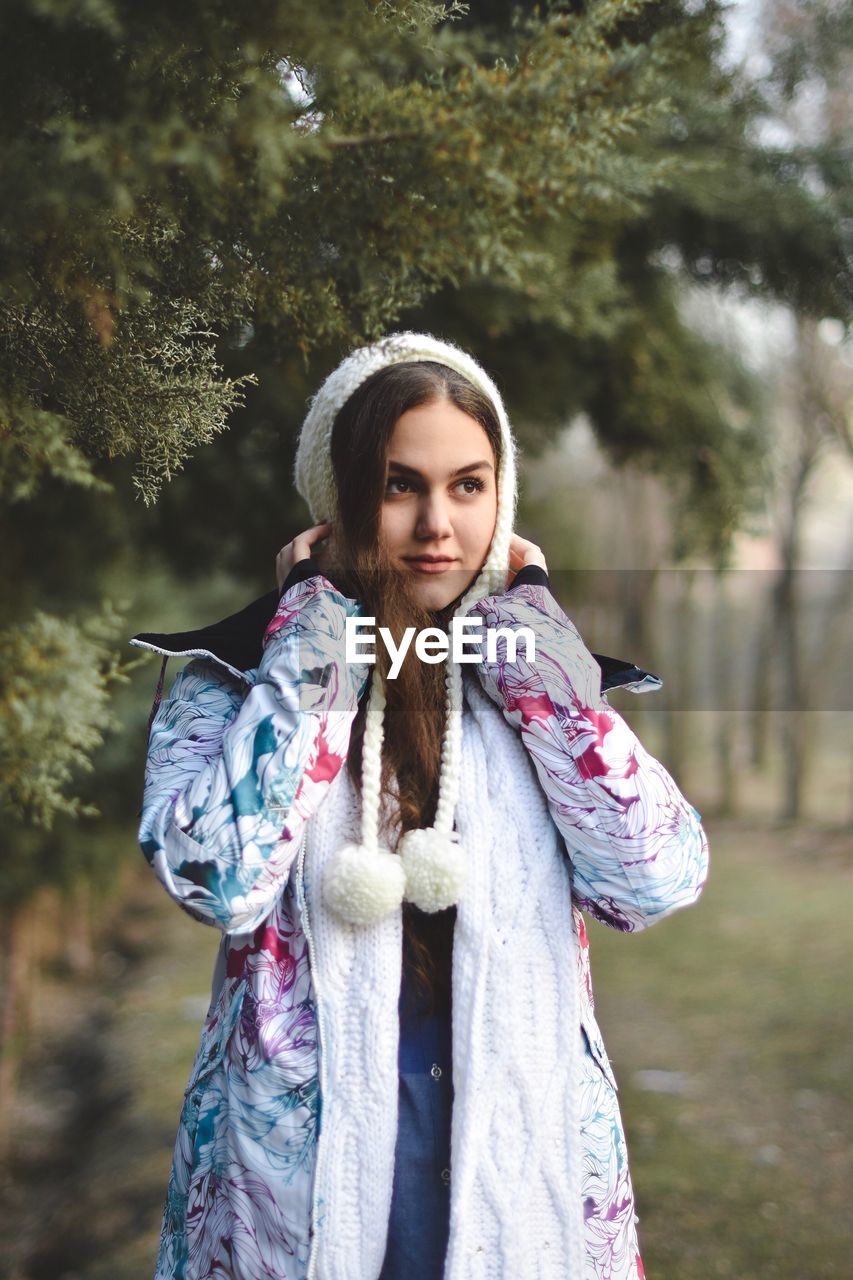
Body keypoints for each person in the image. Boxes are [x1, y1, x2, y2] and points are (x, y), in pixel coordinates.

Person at [130, 330, 709, 1280]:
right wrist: (314, 644)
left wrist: (539, 659)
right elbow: (218, 879)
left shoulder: (534, 681)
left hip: (519, 1154)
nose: (438, 523)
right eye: (400, 485)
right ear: (340, 497)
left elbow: (654, 877)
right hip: (303, 1175)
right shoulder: (235, 681)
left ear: (502, 498)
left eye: (468, 485)